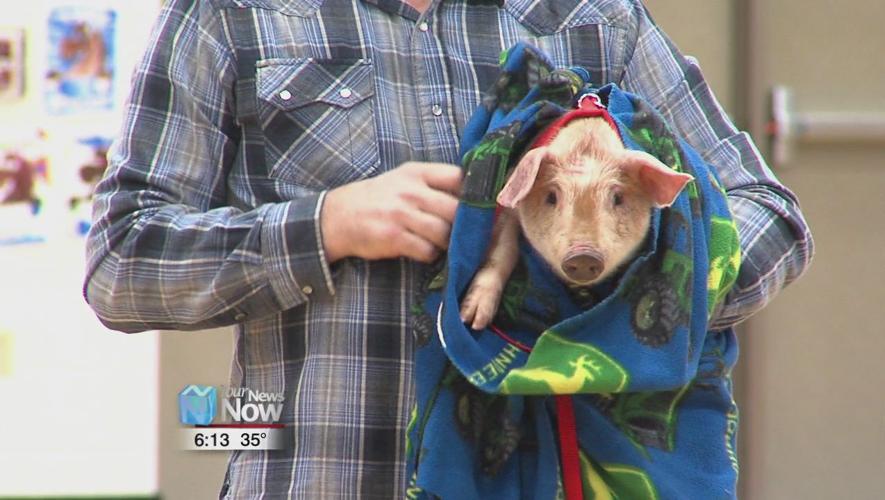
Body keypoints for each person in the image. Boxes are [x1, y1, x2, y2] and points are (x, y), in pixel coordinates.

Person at [83, 0, 813, 498]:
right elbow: (121, 262)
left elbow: (768, 218)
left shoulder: (590, 18)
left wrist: (617, 273)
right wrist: (324, 227)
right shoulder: (228, 16)